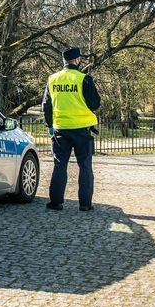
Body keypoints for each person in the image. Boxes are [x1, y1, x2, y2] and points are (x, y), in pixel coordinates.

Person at [42, 46, 101, 211]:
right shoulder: (84, 79)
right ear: (77, 60)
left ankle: (55, 202)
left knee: (60, 164)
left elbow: (46, 105)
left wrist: (50, 125)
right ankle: (85, 204)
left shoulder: (53, 79)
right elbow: (95, 104)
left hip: (60, 128)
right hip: (82, 129)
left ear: (64, 60)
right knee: (85, 166)